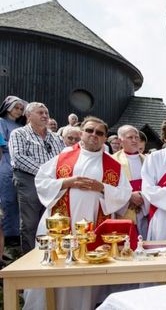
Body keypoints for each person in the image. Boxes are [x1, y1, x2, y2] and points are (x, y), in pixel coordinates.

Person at [24, 116, 132, 310]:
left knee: (84, 275)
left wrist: (102, 187)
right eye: (89, 130)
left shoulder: (113, 165)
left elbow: (124, 194)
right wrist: (67, 182)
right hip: (60, 224)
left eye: (99, 133)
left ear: (105, 138)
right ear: (81, 133)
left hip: (93, 223)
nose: (94, 135)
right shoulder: (63, 157)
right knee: (54, 269)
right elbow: (41, 181)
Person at [9, 102, 64, 254]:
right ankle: (29, 258)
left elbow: (63, 159)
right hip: (29, 180)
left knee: (51, 220)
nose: (45, 116)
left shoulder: (56, 137)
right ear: (28, 115)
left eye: (46, 112)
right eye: (40, 113)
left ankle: (50, 254)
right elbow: (19, 158)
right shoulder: (18, 133)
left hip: (53, 182)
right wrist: (45, 173)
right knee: (30, 223)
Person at [0, 96, 27, 259]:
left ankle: (18, 235)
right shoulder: (1, 122)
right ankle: (9, 238)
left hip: (19, 166)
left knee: (19, 202)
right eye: (16, 107)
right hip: (6, 164)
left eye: (20, 108)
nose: (19, 111)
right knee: (8, 201)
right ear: (8, 107)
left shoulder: (19, 126)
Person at [112, 125, 149, 238]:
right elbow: (109, 187)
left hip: (144, 208)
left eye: (136, 137)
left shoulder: (148, 160)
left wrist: (143, 198)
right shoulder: (112, 160)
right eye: (130, 137)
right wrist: (129, 196)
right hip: (123, 210)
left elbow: (153, 184)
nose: (134, 140)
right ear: (120, 141)